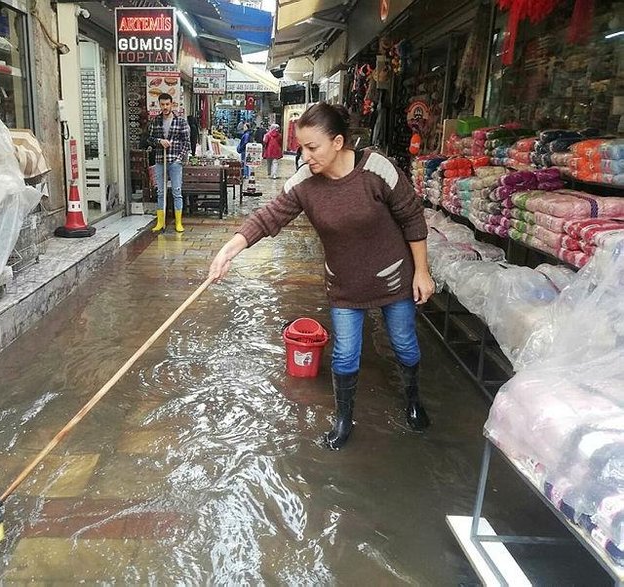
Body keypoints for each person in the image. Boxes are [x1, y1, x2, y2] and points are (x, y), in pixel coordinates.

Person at [208, 102, 435, 450]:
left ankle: (413, 398)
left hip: (392, 277)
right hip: (344, 283)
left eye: (313, 147)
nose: (306, 155)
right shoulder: (305, 182)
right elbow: (269, 217)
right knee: (345, 354)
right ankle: (344, 419)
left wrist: (422, 271)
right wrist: (229, 250)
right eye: (302, 147)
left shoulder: (377, 168)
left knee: (404, 343)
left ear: (338, 142)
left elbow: (412, 218)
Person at [147, 93, 191, 233]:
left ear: (172, 104)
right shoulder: (155, 121)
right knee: (160, 192)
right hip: (160, 160)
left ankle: (178, 222)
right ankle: (160, 222)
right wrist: (159, 141)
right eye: (162, 104)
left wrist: (179, 158)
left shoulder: (181, 121)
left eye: (167, 104)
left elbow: (186, 142)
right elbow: (149, 138)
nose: (165, 107)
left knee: (177, 191)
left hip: (175, 161)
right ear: (159, 105)